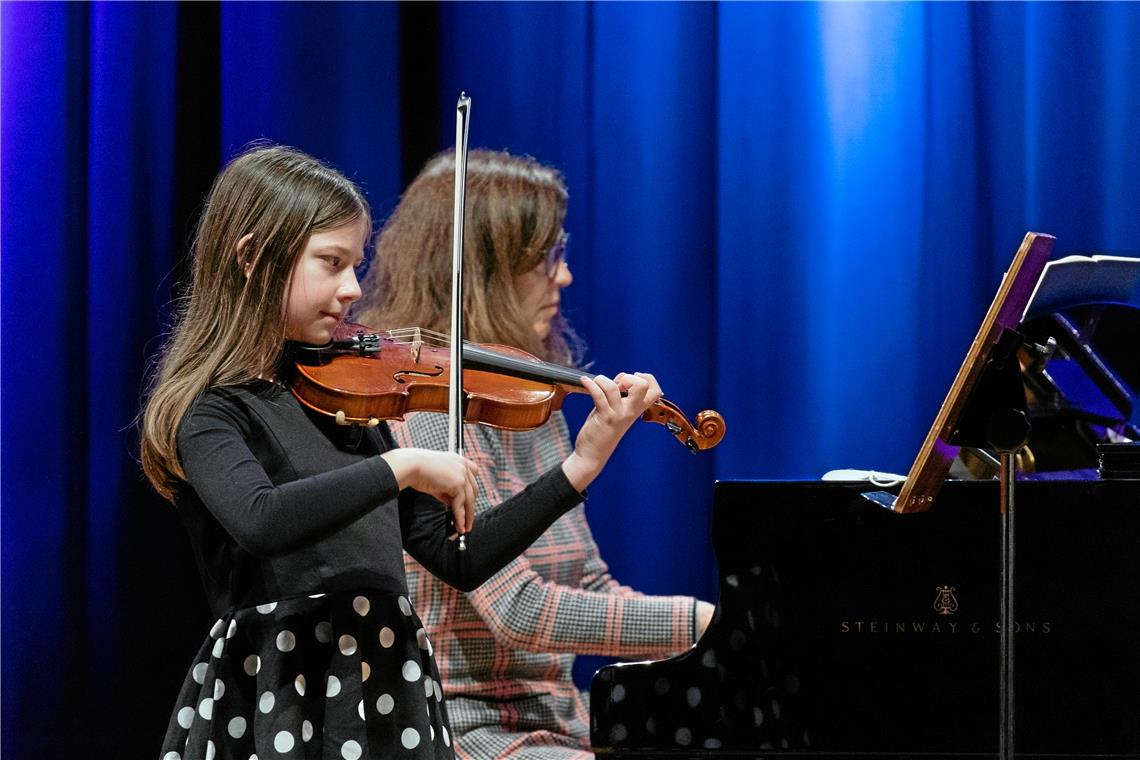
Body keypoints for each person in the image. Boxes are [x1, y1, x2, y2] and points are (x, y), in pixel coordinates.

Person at [139, 144, 663, 760]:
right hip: (282, 683)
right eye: (330, 263)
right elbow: (262, 518)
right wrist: (401, 466)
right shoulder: (213, 409)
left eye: (356, 265)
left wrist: (581, 466)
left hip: (386, 677)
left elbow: (458, 559)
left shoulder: (351, 407)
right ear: (253, 257)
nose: (352, 289)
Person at [355, 149, 714, 760]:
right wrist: (701, 623)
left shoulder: (530, 400)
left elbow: (586, 579)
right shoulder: (424, 411)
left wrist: (716, 630)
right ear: (485, 272)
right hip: (461, 727)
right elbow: (517, 608)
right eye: (546, 258)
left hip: (561, 720)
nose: (565, 275)